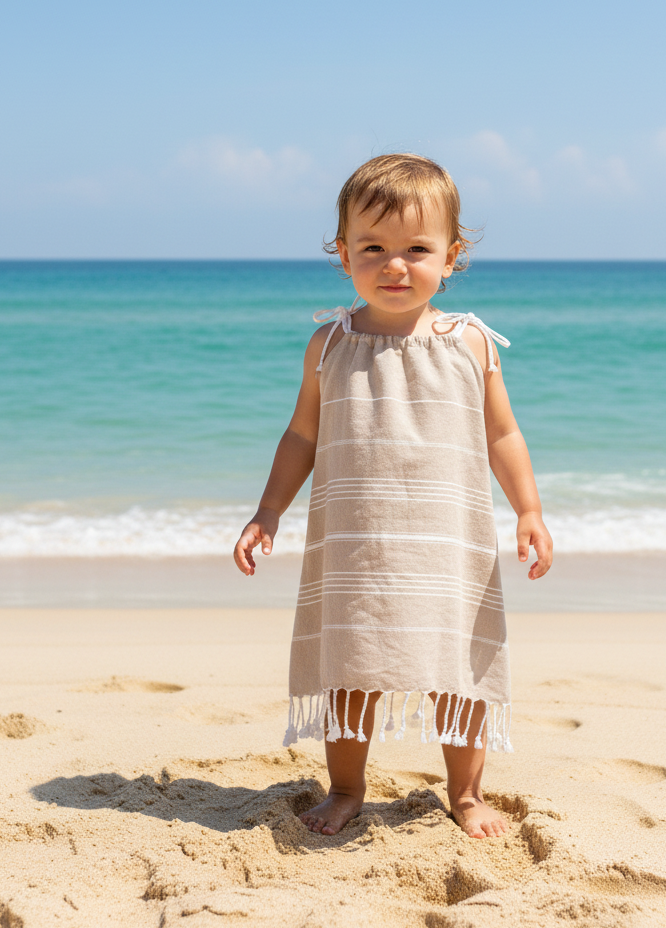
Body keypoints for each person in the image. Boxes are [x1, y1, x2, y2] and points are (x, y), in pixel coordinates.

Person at [233, 153, 553, 839]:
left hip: (447, 541)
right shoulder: (330, 343)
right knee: (351, 662)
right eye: (373, 248)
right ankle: (346, 788)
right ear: (343, 252)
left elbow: (503, 435)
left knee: (457, 668)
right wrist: (268, 511)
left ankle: (465, 794)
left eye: (417, 249)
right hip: (359, 541)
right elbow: (301, 436)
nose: (395, 264)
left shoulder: (470, 342)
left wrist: (528, 508)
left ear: (452, 254)